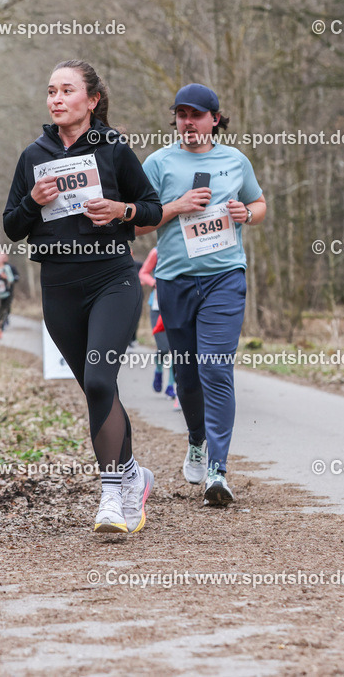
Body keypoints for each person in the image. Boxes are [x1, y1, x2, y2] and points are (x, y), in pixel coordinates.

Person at [3, 59, 162, 533]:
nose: (55, 98)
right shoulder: (34, 155)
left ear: (91, 101)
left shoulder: (113, 149)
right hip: (59, 287)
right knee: (99, 389)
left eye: (66, 90)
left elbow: (151, 209)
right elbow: (12, 226)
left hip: (112, 278)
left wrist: (121, 209)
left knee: (97, 381)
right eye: (50, 90)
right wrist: (34, 201)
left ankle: (112, 496)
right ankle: (134, 476)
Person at [137, 83, 267, 506]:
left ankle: (218, 470)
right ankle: (196, 439)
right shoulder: (158, 163)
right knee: (188, 375)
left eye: (196, 115)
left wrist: (245, 213)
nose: (188, 122)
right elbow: (137, 224)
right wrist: (177, 206)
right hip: (175, 281)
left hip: (224, 277)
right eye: (181, 115)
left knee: (215, 368)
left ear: (215, 119)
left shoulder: (235, 161)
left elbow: (260, 204)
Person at [138, 247, 176, 399]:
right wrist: (154, 283)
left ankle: (170, 386)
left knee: (176, 350)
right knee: (164, 348)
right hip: (157, 307)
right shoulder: (157, 251)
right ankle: (159, 371)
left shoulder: (185, 248)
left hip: (178, 306)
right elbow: (143, 272)